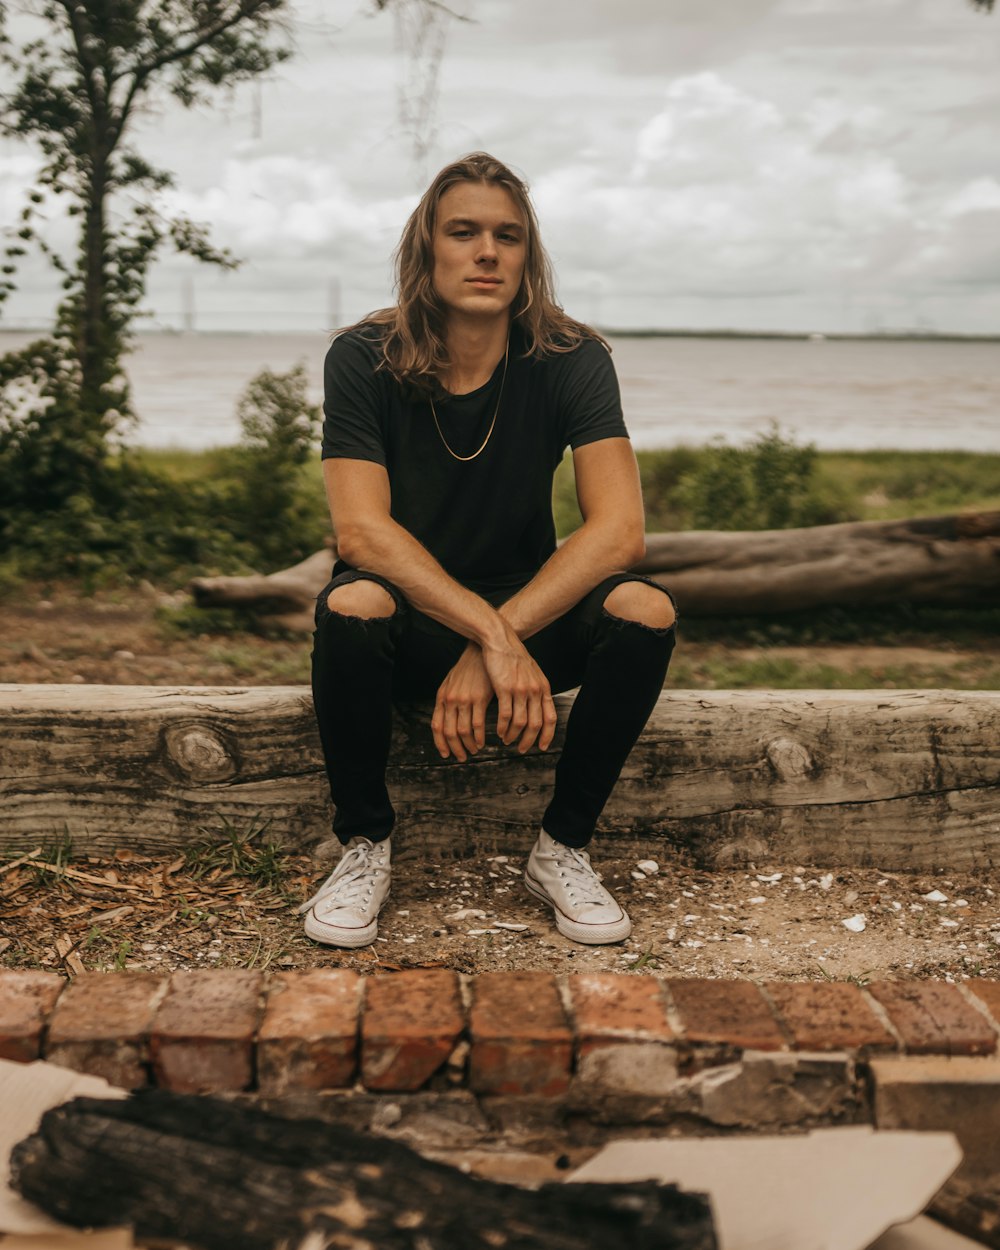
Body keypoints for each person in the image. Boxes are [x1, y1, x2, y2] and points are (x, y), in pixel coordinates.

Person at [301, 152, 676, 950]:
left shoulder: (572, 358)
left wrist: (499, 636)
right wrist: (492, 637)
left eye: (508, 236)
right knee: (352, 600)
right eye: (463, 231)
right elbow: (361, 533)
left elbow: (620, 533)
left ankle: (563, 847)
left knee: (644, 608)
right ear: (425, 250)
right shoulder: (362, 358)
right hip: (406, 617)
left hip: (528, 617)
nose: (487, 252)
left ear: (527, 256)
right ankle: (365, 843)